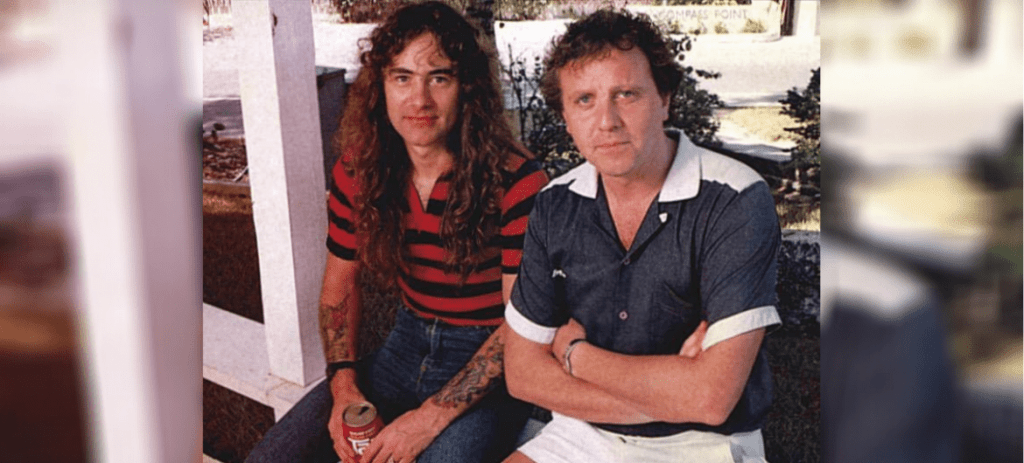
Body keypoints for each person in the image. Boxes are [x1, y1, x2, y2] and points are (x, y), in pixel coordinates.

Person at [245, 2, 547, 463]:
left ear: (467, 87)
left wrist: (428, 418)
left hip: (491, 364)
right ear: (380, 87)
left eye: (438, 78)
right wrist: (344, 386)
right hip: (402, 345)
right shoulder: (361, 170)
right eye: (402, 78)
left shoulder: (517, 179)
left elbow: (520, 325)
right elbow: (338, 289)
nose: (419, 100)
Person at [501, 9, 781, 463]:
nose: (606, 121)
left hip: (702, 444)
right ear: (566, 117)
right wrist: (676, 393)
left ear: (664, 99)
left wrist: (574, 354)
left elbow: (712, 400)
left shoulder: (735, 198)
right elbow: (522, 374)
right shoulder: (555, 204)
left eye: (626, 94)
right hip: (583, 433)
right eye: (584, 100)